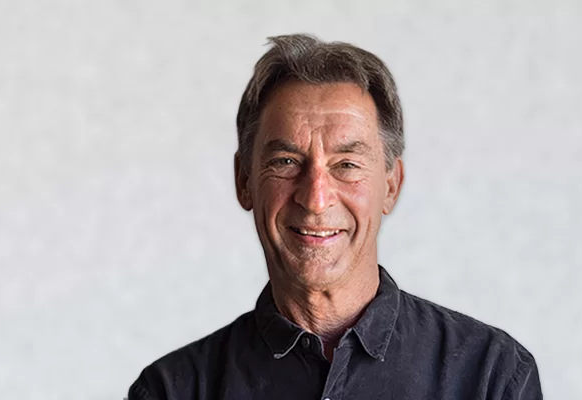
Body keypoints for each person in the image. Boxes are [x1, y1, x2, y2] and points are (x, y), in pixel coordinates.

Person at [128, 34, 542, 400]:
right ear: (244, 181)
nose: (315, 199)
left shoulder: (491, 377)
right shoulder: (173, 390)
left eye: (346, 165)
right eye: (286, 161)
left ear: (391, 186)